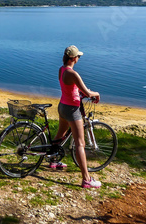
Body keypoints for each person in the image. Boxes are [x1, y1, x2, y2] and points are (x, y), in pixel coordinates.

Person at [49, 45, 102, 189]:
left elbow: (73, 88)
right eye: (78, 56)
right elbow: (87, 92)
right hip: (72, 110)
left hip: (62, 106)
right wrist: (96, 94)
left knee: (60, 134)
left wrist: (83, 94)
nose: (79, 58)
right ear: (73, 58)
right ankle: (86, 179)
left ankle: (53, 160)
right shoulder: (73, 73)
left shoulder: (62, 70)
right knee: (80, 144)